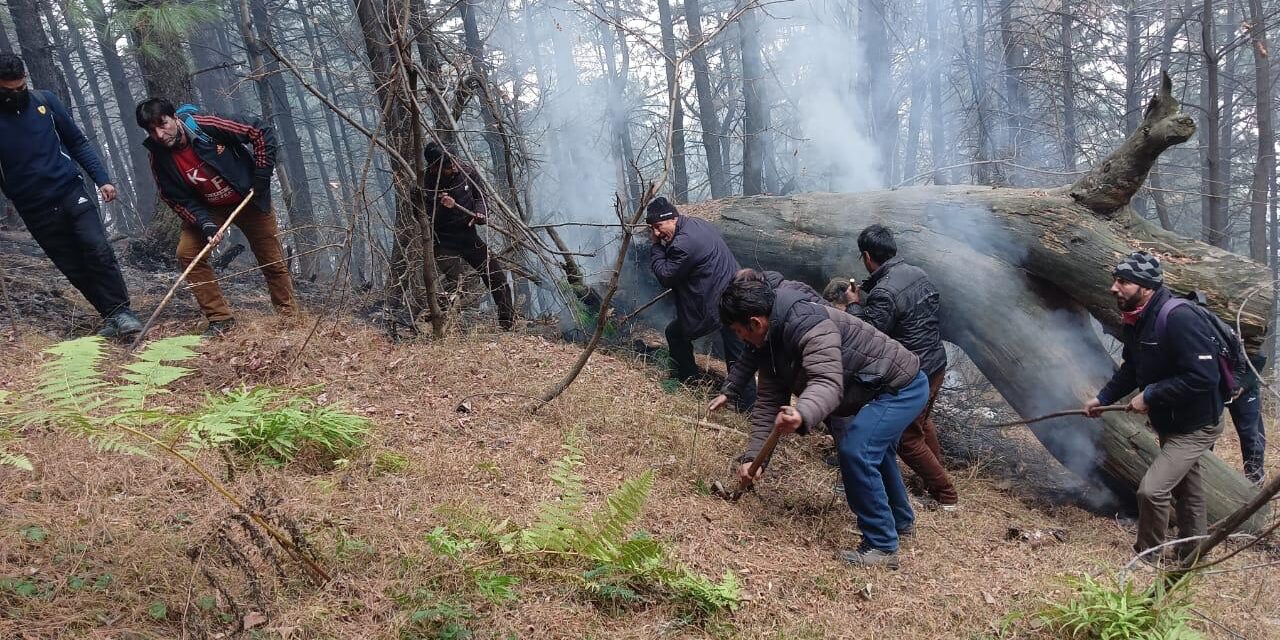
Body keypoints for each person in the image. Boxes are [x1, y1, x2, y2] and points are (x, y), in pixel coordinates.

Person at [720, 277, 928, 567]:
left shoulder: (808, 323)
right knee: (875, 452)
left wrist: (803, 412)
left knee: (857, 448)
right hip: (873, 388)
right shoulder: (767, 341)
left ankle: (882, 545)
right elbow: (768, 403)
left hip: (901, 386)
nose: (740, 339)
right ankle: (901, 520)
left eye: (738, 331)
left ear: (755, 322)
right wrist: (755, 458)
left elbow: (827, 381)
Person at [1084, 251, 1225, 563]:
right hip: (1172, 420)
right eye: (1114, 280)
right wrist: (1103, 398)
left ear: (1145, 287)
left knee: (1152, 490)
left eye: (1123, 282)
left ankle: (1147, 558)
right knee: (1188, 489)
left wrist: (1150, 395)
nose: (1114, 288)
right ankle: (1192, 554)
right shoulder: (1137, 319)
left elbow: (1204, 376)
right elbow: (1132, 368)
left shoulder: (1179, 318)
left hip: (1197, 424)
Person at [0, 53, 142, 337]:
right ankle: (111, 316)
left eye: (21, 87)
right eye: (8, 90)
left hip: (69, 190)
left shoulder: (45, 102)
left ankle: (123, 311)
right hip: (33, 205)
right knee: (72, 265)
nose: (16, 94)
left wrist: (102, 179)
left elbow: (76, 141)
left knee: (97, 248)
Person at [136, 98, 297, 337]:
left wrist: (262, 176)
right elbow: (174, 197)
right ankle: (220, 319)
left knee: (271, 260)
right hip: (209, 208)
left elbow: (259, 131)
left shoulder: (205, 125)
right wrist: (205, 223)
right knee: (187, 253)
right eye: (152, 130)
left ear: (175, 118)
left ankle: (289, 318)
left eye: (163, 124)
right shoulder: (158, 157)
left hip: (248, 198)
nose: (159, 134)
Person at [841, 225, 959, 510]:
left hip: (915, 370)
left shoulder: (884, 293)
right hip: (936, 362)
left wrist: (854, 305)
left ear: (867, 256)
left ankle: (946, 495)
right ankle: (932, 478)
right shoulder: (917, 273)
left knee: (906, 436)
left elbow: (867, 334)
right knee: (921, 423)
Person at [648, 197, 754, 409]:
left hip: (722, 303)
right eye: (652, 228)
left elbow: (666, 276)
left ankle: (747, 405)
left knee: (736, 355)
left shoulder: (684, 243)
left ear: (672, 219)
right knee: (733, 351)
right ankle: (693, 382)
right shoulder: (697, 224)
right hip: (732, 293)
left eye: (658, 226)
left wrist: (656, 248)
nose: (657, 233)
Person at [422, 143, 516, 330]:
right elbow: (424, 220)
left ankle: (508, 326)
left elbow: (481, 197)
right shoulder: (425, 184)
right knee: (458, 286)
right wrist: (441, 206)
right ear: (434, 167)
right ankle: (444, 328)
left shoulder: (466, 171)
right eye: (449, 166)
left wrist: (480, 214)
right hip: (444, 243)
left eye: (454, 162)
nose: (454, 167)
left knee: (497, 277)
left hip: (468, 236)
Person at [709, 269, 824, 412]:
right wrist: (728, 391)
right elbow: (751, 353)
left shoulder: (788, 307)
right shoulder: (764, 315)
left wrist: (804, 413)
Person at [1227, 353, 1267, 484]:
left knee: (1251, 437)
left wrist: (1242, 385)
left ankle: (1254, 484)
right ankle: (1203, 480)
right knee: (1204, 433)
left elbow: (1260, 358)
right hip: (1214, 380)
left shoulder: (1253, 335)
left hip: (1246, 386)